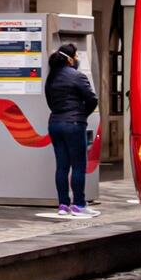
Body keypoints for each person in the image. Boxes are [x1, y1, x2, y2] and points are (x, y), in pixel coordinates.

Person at [44, 43, 99, 217]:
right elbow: (92, 99)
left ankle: (63, 205)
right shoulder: (77, 76)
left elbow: (50, 101)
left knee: (61, 166)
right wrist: (82, 114)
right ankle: (79, 205)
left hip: (55, 123)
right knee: (78, 165)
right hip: (74, 124)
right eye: (75, 56)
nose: (77, 59)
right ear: (69, 59)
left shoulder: (51, 77)